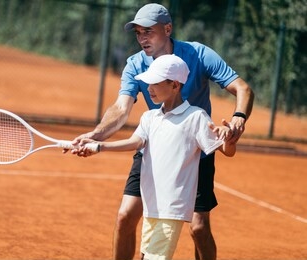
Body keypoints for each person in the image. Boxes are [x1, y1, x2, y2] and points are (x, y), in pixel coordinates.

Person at [69, 3, 254, 260]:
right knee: (125, 216)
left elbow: (243, 89)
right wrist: (96, 136)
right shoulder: (135, 64)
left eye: (148, 31)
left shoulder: (198, 54)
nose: (142, 38)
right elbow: (122, 108)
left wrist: (237, 119)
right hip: (155, 147)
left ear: (167, 29)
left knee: (198, 229)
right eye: (138, 33)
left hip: (196, 151)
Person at [74, 54, 236, 260]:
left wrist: (229, 142)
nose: (148, 88)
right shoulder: (150, 117)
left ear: (175, 85)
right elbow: (135, 142)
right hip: (152, 204)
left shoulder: (196, 117)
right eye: (147, 83)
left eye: (155, 83)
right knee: (147, 256)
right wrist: (98, 146)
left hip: (172, 207)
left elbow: (225, 150)